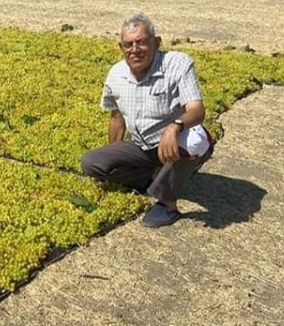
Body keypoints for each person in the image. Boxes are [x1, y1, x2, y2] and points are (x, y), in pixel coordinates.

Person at [80, 12, 213, 227]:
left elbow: (197, 111)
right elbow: (116, 118)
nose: (135, 49)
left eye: (142, 42)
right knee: (92, 163)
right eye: (128, 44)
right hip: (141, 145)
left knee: (195, 141)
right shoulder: (116, 74)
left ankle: (167, 204)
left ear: (156, 42)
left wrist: (175, 127)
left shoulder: (177, 64)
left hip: (176, 139)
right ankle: (154, 176)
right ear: (120, 47)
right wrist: (114, 159)